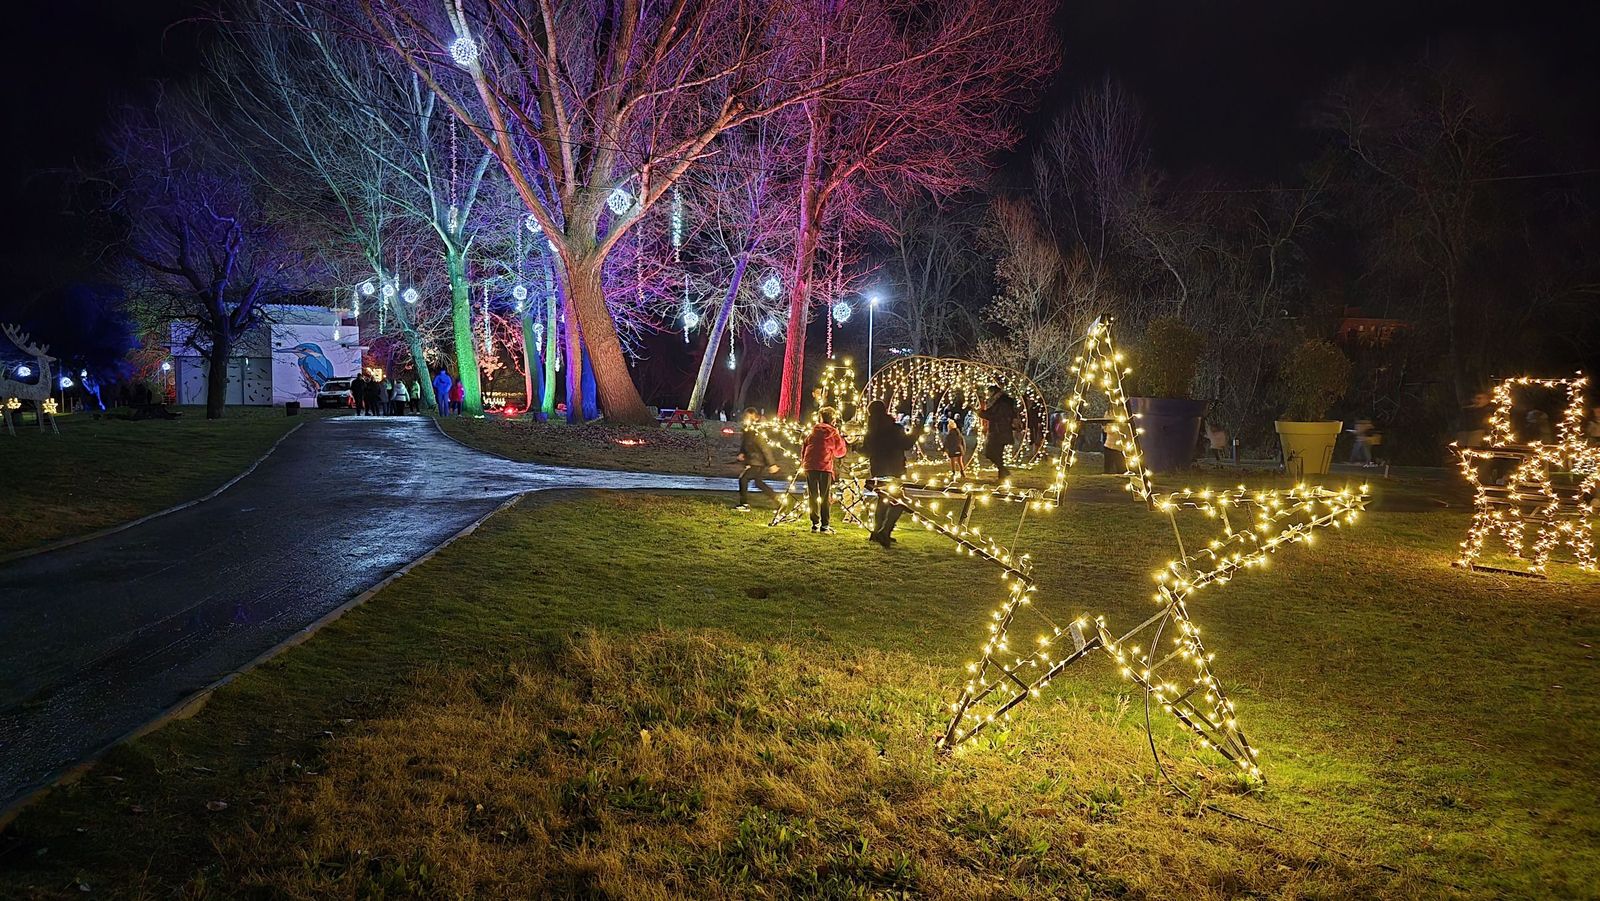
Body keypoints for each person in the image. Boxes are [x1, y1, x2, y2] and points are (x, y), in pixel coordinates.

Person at [864, 400, 918, 547]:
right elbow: (906, 444)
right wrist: (915, 433)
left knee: (883, 500)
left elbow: (866, 450)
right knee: (899, 502)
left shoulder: (871, 431)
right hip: (894, 470)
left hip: (878, 470)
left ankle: (877, 531)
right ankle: (885, 531)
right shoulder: (894, 428)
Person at [801, 408, 849, 532]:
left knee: (812, 495)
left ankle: (814, 524)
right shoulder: (833, 433)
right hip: (824, 466)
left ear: (820, 417)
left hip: (810, 466)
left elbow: (804, 447)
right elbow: (840, 452)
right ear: (833, 419)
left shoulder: (812, 431)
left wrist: (803, 463)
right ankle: (825, 525)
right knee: (825, 496)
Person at [734, 407, 781, 511]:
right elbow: (745, 443)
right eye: (746, 417)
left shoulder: (757, 432)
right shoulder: (748, 431)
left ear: (755, 417)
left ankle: (744, 504)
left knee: (743, 479)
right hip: (753, 460)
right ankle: (778, 500)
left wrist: (772, 464)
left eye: (748, 417)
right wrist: (742, 453)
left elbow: (765, 448)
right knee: (758, 483)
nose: (746, 419)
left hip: (757, 462)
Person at [978, 384, 1019, 481]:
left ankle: (1003, 471)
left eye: (989, 393)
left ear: (994, 392)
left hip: (999, 432)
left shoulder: (1002, 403)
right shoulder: (1002, 401)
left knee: (989, 453)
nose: (988, 395)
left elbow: (995, 416)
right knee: (997, 454)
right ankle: (1002, 475)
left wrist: (981, 413)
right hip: (1001, 431)